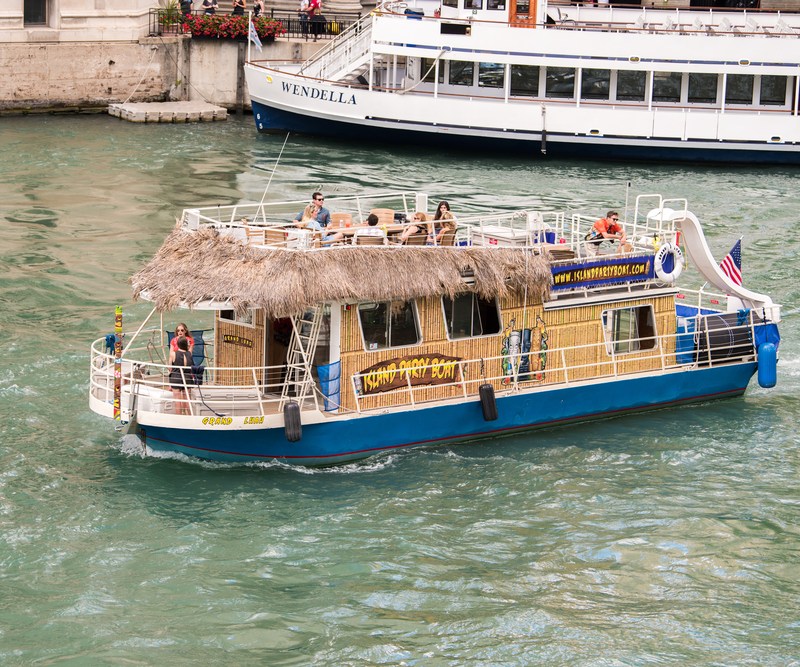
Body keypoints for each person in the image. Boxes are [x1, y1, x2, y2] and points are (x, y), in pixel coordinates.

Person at [169, 336, 193, 416]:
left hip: (176, 378)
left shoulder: (173, 354)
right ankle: (190, 416)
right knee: (187, 400)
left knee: (177, 401)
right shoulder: (189, 354)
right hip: (187, 378)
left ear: (178, 345)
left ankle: (179, 419)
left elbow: (170, 368)